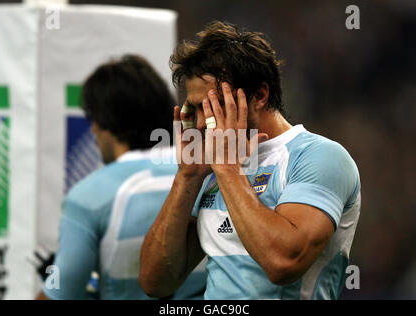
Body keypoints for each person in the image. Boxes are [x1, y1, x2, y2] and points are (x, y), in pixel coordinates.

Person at [139, 21, 361, 300]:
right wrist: (188, 176)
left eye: (211, 106)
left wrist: (228, 170)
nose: (199, 123)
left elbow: (283, 263)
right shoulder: (209, 169)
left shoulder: (320, 157)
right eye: (194, 109)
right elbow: (155, 282)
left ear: (259, 95)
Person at [37, 55, 206, 300]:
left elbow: (61, 294)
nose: (92, 130)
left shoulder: (88, 196)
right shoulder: (208, 174)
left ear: (103, 122)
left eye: (92, 120)